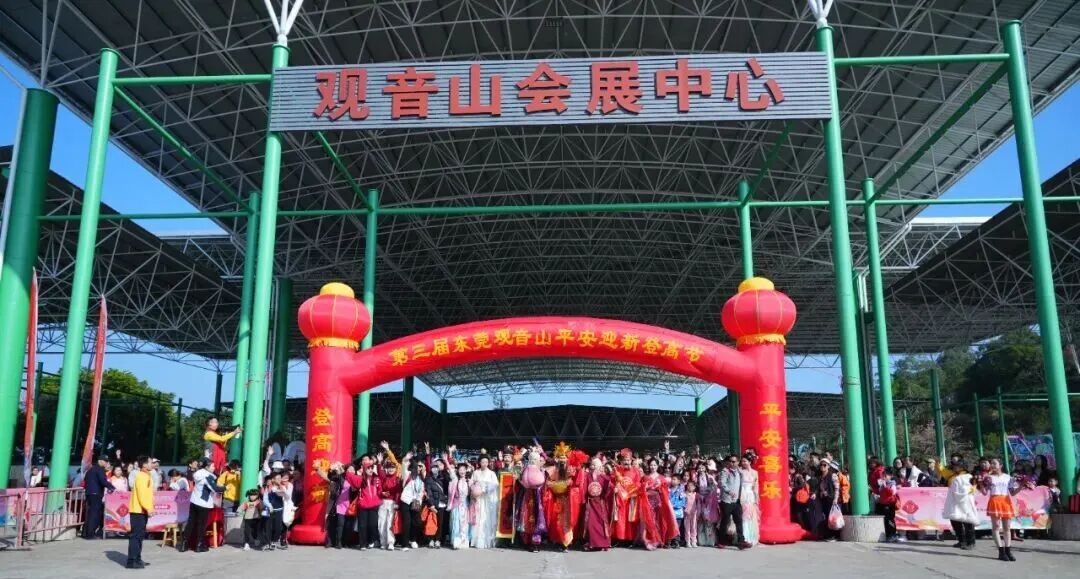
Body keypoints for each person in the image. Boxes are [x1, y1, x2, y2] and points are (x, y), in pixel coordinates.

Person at [983, 457, 1026, 562]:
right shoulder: (989, 478)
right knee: (996, 527)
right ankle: (1001, 551)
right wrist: (979, 483)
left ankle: (1008, 550)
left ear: (1001, 465)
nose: (992, 465)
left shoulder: (1008, 477)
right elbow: (984, 492)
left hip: (1005, 501)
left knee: (1007, 528)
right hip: (994, 501)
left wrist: (1021, 485)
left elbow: (1012, 492)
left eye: (994, 463)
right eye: (991, 463)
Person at [182, 458, 223, 553]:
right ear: (207, 467)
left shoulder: (198, 474)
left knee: (191, 523)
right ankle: (199, 545)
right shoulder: (208, 476)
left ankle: (184, 544)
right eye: (212, 466)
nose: (214, 467)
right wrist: (225, 487)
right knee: (201, 525)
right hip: (203, 504)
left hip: (194, 501)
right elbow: (215, 489)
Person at [637, 457, 678, 550]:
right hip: (647, 501)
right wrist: (645, 486)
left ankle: (658, 540)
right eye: (651, 465)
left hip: (658, 501)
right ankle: (649, 540)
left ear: (657, 466)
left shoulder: (662, 478)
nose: (653, 467)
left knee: (657, 520)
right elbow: (640, 489)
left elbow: (666, 491)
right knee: (648, 520)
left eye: (654, 465)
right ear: (649, 466)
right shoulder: (645, 477)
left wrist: (660, 487)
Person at [942, 460, 978, 550]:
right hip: (956, 502)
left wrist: (960, 495)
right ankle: (961, 540)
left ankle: (971, 542)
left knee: (967, 522)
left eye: (957, 466)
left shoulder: (968, 477)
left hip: (964, 502)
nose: (954, 467)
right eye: (955, 466)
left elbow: (968, 489)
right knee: (955, 522)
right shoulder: (955, 477)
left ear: (963, 467)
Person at [126, 455, 154, 569]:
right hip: (138, 511)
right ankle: (132, 561)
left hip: (141, 511)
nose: (152, 464)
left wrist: (149, 508)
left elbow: (147, 495)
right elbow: (142, 495)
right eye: (150, 462)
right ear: (144, 465)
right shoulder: (142, 476)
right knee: (136, 536)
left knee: (140, 536)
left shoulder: (146, 475)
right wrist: (149, 508)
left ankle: (137, 559)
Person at [717, 455, 751, 550]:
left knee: (739, 521)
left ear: (738, 462)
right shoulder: (725, 471)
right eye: (730, 461)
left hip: (736, 501)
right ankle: (721, 541)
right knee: (725, 521)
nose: (732, 463)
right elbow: (722, 483)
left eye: (734, 461)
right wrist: (729, 491)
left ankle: (741, 541)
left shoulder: (739, 472)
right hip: (727, 500)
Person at [611, 448, 642, 545]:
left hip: (630, 498)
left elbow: (638, 483)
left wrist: (633, 490)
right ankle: (619, 538)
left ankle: (629, 539)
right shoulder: (618, 470)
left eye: (628, 460)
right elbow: (613, 481)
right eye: (625, 460)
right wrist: (615, 488)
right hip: (620, 499)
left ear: (631, 461)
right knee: (620, 518)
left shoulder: (636, 471)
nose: (626, 462)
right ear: (622, 461)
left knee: (630, 519)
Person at [469, 455, 500, 548]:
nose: (485, 464)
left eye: (486, 462)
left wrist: (485, 489)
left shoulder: (491, 473)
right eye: (483, 462)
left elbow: (495, 484)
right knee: (478, 517)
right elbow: (471, 483)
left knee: (487, 517)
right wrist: (474, 491)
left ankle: (487, 540)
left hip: (487, 499)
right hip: (478, 499)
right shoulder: (476, 472)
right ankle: (476, 540)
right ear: (479, 463)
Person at [583, 456, 612, 551]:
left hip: (600, 503)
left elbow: (608, 489)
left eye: (594, 465)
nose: (592, 467)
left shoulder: (603, 477)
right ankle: (593, 543)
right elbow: (584, 488)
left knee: (602, 523)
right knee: (591, 523)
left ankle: (604, 543)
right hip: (591, 503)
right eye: (592, 465)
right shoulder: (587, 476)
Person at [83, 455, 115, 540]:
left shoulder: (90, 470)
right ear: (100, 461)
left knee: (90, 513)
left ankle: (85, 532)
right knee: (94, 514)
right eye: (105, 461)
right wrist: (112, 487)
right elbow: (103, 481)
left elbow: (85, 479)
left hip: (89, 493)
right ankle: (90, 534)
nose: (106, 463)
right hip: (96, 494)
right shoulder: (100, 469)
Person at [399, 461, 426, 550]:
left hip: (415, 501)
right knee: (407, 522)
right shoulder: (408, 474)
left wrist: (418, 502)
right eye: (418, 466)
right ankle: (405, 544)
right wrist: (405, 460)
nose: (419, 468)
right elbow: (403, 468)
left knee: (417, 522)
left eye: (421, 467)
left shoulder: (421, 479)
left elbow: (421, 492)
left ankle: (412, 539)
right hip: (406, 501)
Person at [813, 460, 841, 542]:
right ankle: (828, 535)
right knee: (827, 517)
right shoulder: (820, 477)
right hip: (824, 500)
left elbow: (837, 488)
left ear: (828, 466)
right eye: (821, 465)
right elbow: (818, 488)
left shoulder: (833, 475)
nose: (822, 466)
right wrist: (815, 494)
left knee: (832, 518)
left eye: (824, 465)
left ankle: (835, 535)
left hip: (831, 499)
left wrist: (835, 499)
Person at [447, 460, 471, 549]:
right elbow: (451, 471)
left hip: (465, 505)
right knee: (456, 523)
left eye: (464, 469)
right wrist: (446, 461)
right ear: (458, 471)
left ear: (466, 470)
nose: (462, 471)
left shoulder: (469, 481)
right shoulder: (455, 480)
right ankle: (456, 542)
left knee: (465, 524)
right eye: (460, 469)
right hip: (457, 505)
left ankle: (464, 541)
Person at [738, 455, 760, 546]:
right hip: (742, 494)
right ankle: (744, 537)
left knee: (751, 516)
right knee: (743, 516)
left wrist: (756, 498)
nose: (743, 463)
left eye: (745, 461)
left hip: (750, 495)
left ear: (750, 462)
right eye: (742, 461)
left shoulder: (755, 473)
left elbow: (755, 487)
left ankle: (751, 537)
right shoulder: (740, 471)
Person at [875, 468, 901, 543]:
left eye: (886, 475)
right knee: (886, 520)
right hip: (883, 504)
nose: (884, 477)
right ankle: (888, 535)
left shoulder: (892, 484)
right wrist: (881, 486)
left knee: (890, 520)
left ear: (890, 476)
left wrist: (885, 486)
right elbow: (880, 492)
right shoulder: (883, 484)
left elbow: (892, 492)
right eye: (883, 475)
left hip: (890, 504)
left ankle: (893, 534)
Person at [682, 480, 699, 548]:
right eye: (688, 486)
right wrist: (684, 510)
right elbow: (683, 503)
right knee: (687, 528)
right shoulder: (684, 494)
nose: (690, 487)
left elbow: (699, 503)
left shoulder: (696, 494)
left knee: (694, 527)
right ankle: (688, 541)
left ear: (694, 487)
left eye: (691, 486)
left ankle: (694, 541)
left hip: (694, 513)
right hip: (687, 513)